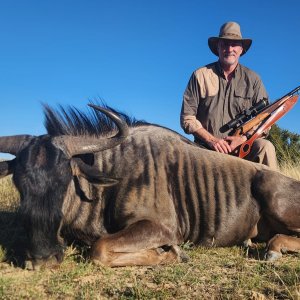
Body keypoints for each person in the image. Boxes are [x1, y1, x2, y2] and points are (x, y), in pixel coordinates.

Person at [180, 21, 278, 169]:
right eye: (225, 44)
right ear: (218, 47)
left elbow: (265, 120)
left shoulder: (253, 79)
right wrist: (211, 140)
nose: (229, 48)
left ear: (241, 49)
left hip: (241, 148)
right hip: (205, 148)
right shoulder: (200, 75)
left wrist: (243, 138)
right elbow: (187, 118)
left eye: (234, 44)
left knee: (265, 147)